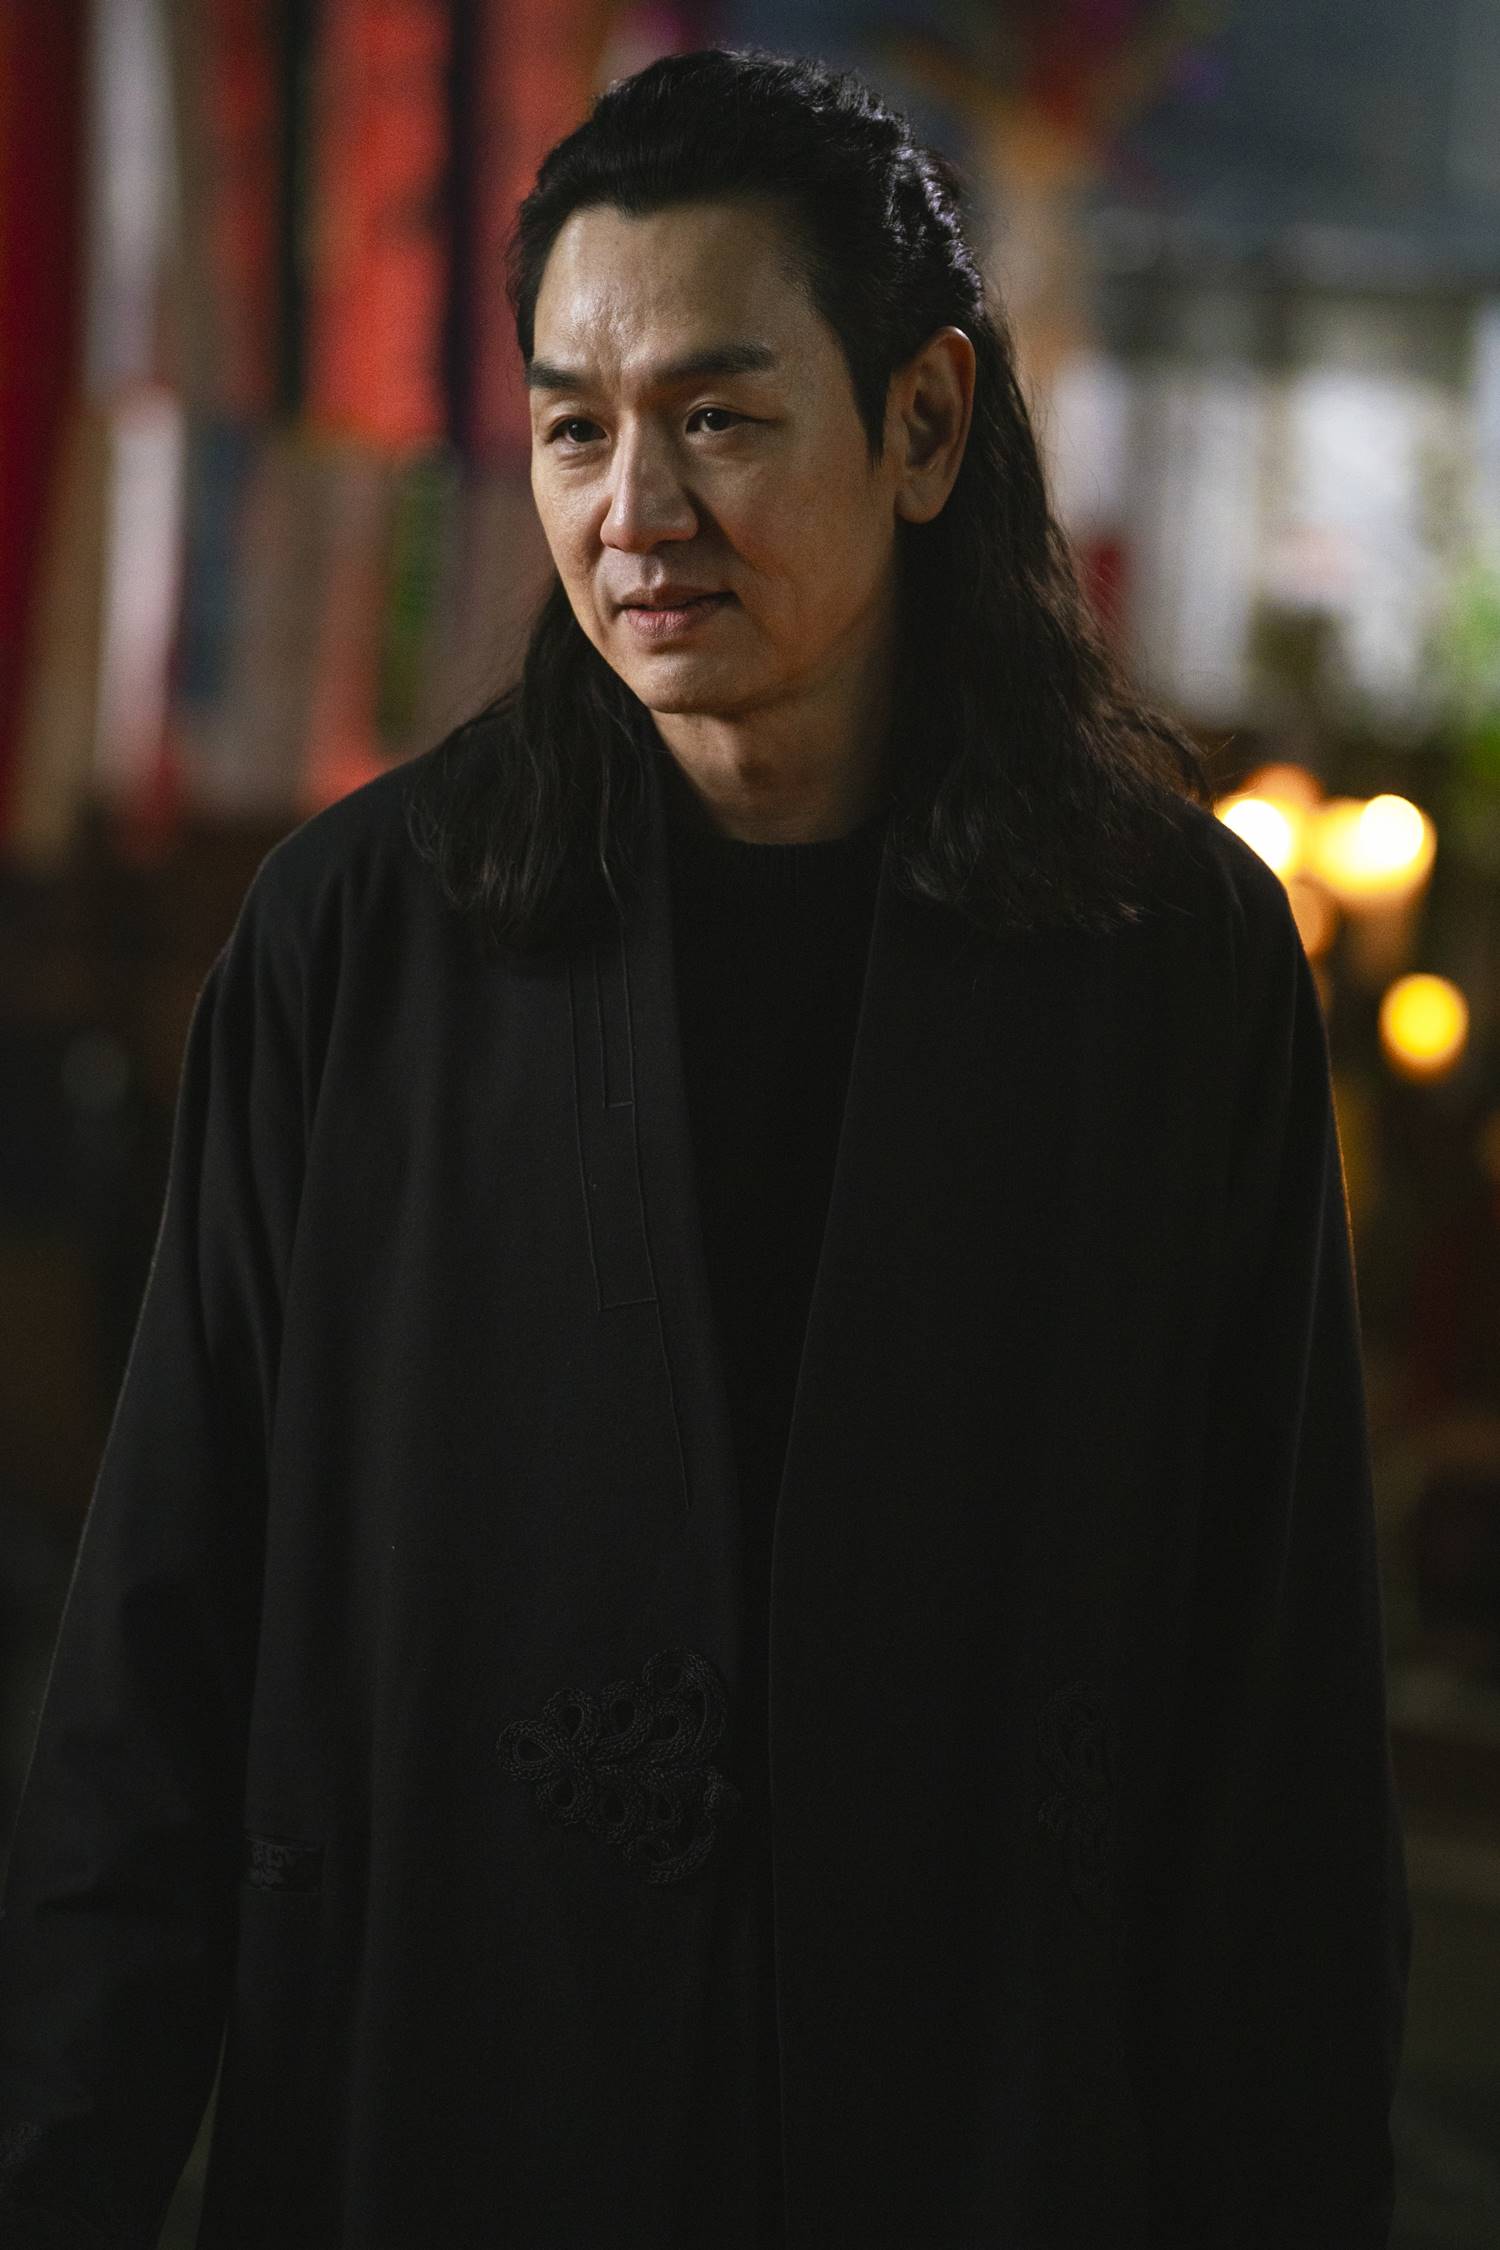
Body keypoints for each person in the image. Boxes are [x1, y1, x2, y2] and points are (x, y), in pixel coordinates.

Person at [0, 44, 1411, 2250]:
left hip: (984, 2126)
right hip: (452, 2088)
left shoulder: (1165, 954)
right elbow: (162, 1643)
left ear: (922, 424)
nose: (634, 510)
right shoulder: (362, 938)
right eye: (577, 426)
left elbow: (1276, 1698)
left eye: (721, 418)